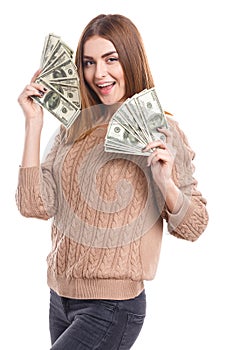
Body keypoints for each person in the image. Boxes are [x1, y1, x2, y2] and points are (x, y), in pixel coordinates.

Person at [16, 13, 209, 350]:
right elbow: (35, 205)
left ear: (131, 61)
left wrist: (167, 184)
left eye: (111, 59)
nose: (99, 73)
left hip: (112, 307)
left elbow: (195, 225)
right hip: (59, 299)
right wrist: (34, 124)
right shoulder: (72, 129)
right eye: (89, 62)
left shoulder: (161, 131)